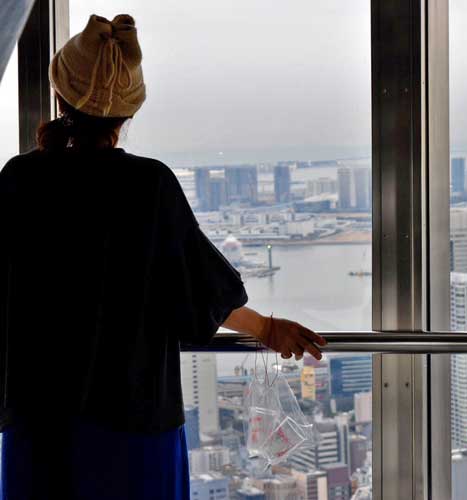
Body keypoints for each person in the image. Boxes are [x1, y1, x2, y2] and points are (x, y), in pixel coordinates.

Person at [0, 14, 326, 500]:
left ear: (60, 94)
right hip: (134, 424)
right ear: (127, 114)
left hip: (36, 425)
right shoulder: (148, 185)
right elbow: (199, 295)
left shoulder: (20, 179)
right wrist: (265, 328)